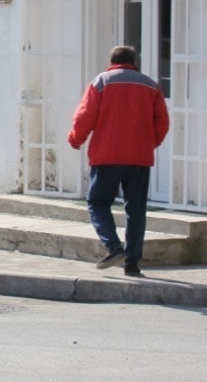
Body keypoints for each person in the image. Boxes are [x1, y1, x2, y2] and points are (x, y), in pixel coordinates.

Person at [68, 45, 170, 277]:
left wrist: (76, 139)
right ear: (134, 61)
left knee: (97, 203)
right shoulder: (151, 85)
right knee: (136, 210)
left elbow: (84, 116)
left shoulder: (101, 82)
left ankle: (114, 247)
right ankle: (132, 263)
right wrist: (149, 143)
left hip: (107, 156)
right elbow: (162, 122)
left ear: (111, 61)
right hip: (139, 158)